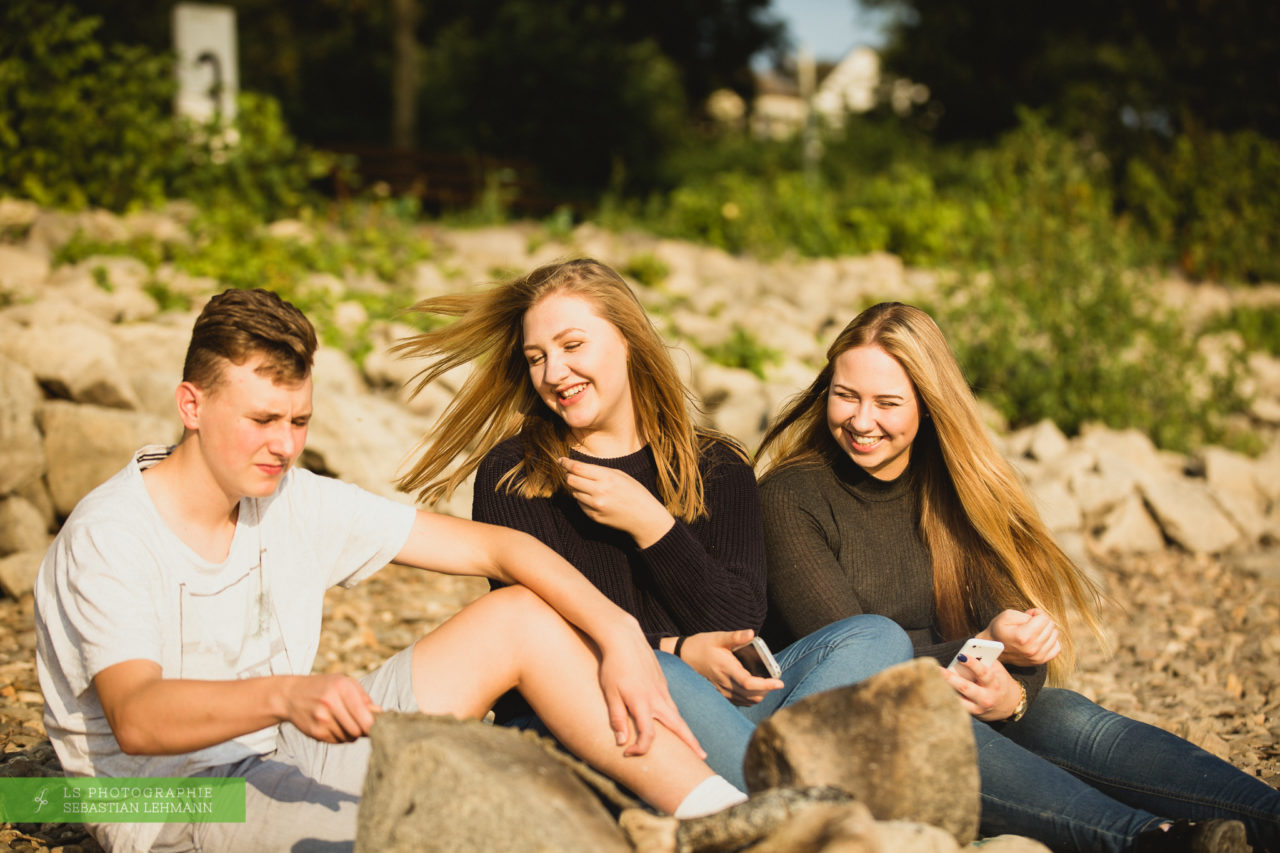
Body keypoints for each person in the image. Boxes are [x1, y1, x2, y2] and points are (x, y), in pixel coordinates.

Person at [33, 288, 749, 853]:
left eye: (300, 421)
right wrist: (285, 694)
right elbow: (137, 715)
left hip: (284, 748)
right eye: (262, 420)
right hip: (170, 804)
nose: (284, 446)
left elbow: (500, 551)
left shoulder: (289, 494)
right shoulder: (112, 534)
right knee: (449, 822)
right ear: (191, 405)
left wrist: (620, 632)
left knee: (521, 615)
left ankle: (732, 819)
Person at [755, 301, 1280, 853]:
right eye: (846, 395)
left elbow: (1018, 630)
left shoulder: (957, 490)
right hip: (850, 724)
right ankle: (1150, 843)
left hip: (952, 688)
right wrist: (986, 648)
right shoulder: (789, 499)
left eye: (887, 402)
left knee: (1064, 713)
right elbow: (861, 661)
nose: (862, 421)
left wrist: (1014, 694)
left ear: (930, 407)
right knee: (937, 729)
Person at [394, 258, 913, 791]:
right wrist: (678, 653)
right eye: (537, 358)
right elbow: (541, 641)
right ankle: (791, 802)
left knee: (876, 639)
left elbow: (738, 621)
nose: (553, 373)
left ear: (628, 341)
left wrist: (654, 528)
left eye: (572, 347)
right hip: (595, 713)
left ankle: (774, 790)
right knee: (662, 673)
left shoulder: (717, 466)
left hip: (722, 712)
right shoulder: (518, 475)